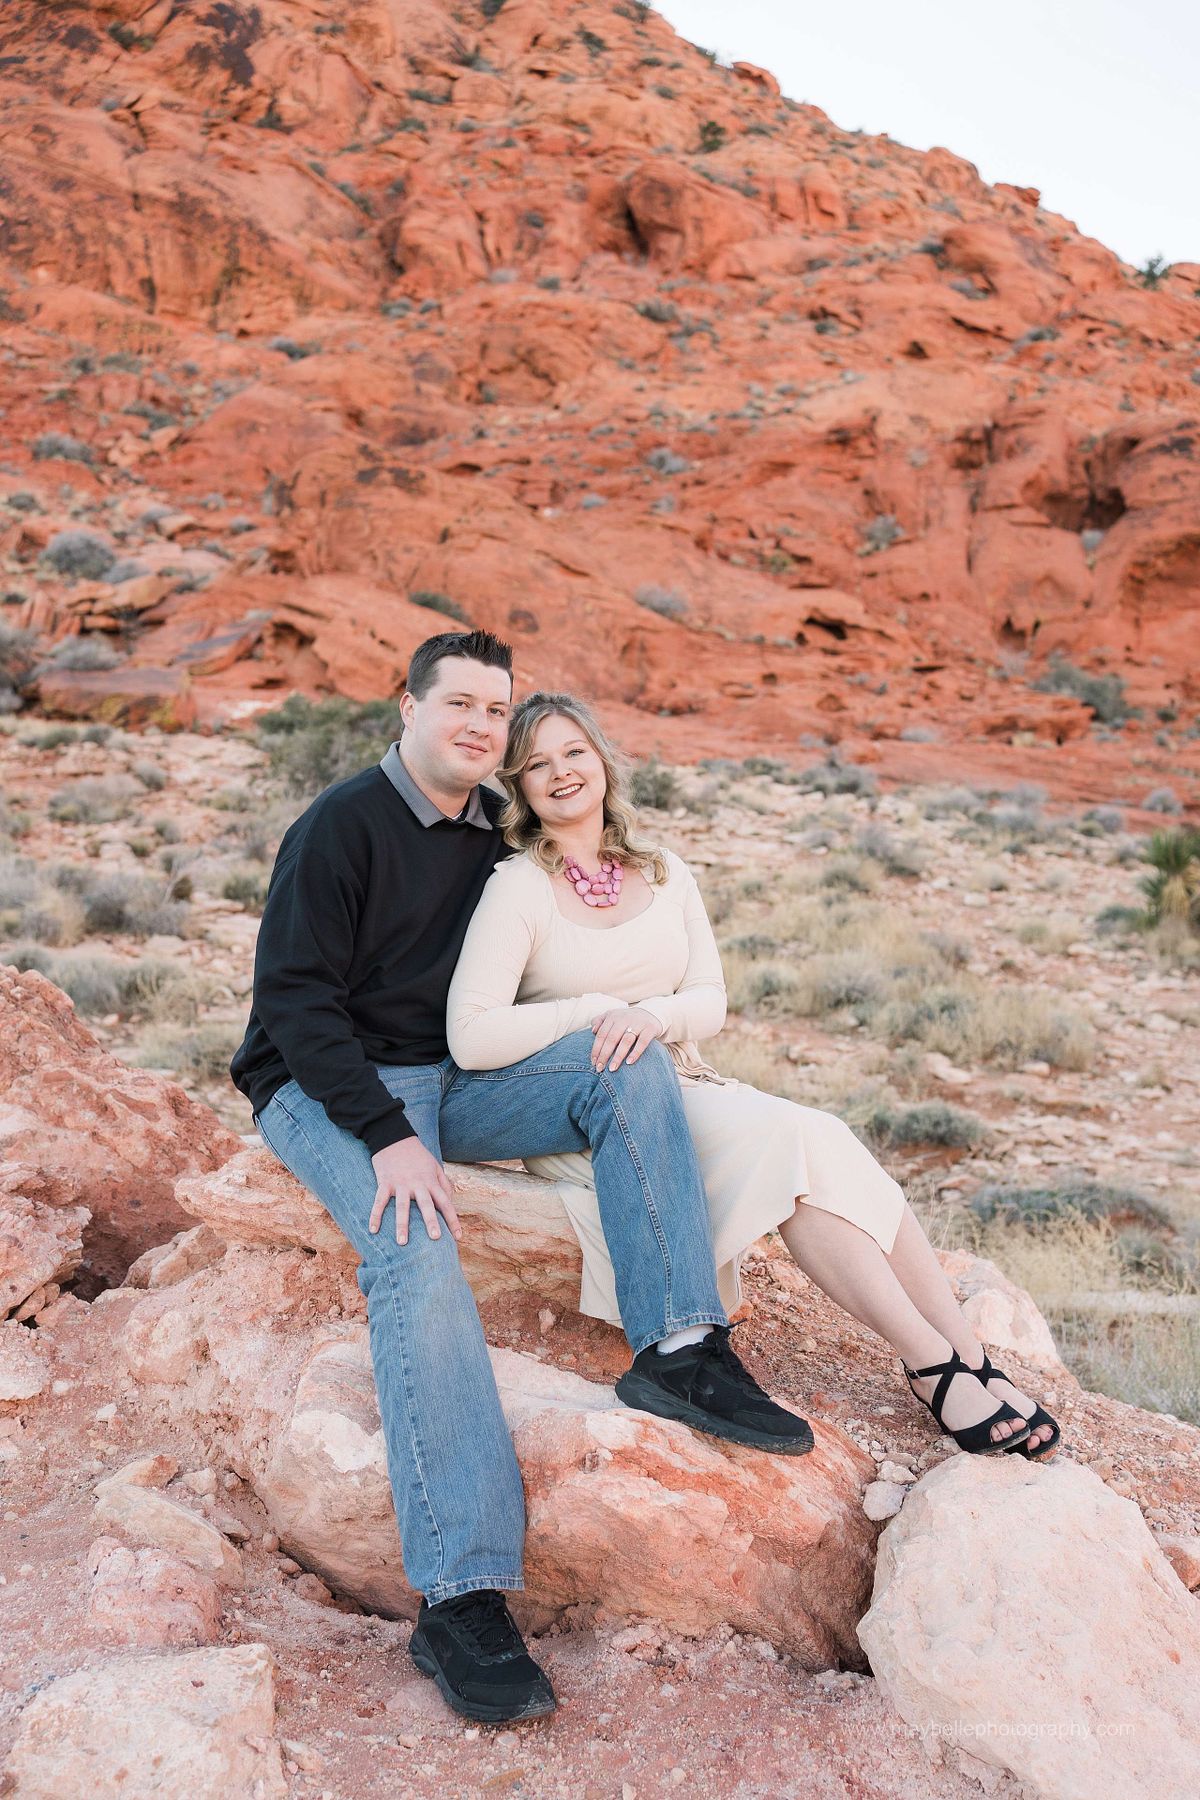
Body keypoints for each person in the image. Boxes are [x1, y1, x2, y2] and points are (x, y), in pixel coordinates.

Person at [230, 632, 812, 1728]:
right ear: (405, 708)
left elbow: (557, 941)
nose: (480, 727)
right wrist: (385, 1135)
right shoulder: (341, 827)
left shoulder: (489, 841)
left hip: (451, 1077)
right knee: (416, 1248)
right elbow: (298, 1007)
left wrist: (628, 998)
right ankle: (462, 1595)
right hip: (329, 1083)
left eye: (496, 712)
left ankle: (681, 1346)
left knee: (624, 1065)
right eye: (459, 704)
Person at [446, 691, 1063, 1475]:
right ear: (521, 791)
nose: (561, 773)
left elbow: (711, 998)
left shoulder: (665, 871)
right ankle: (931, 1368)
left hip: (689, 1078)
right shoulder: (518, 887)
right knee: (791, 1145)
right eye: (536, 765)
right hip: (609, 1105)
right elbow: (473, 1035)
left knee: (827, 1137)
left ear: (601, 759)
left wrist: (657, 1017)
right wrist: (597, 1011)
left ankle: (967, 1359)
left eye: (573, 752)